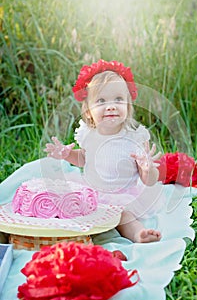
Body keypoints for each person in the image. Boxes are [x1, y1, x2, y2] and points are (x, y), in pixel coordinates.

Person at [45, 60, 163, 243]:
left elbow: (150, 181)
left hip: (123, 195)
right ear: (89, 110)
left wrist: (148, 169)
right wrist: (67, 154)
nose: (111, 106)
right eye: (101, 101)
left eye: (118, 99)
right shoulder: (89, 135)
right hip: (92, 193)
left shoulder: (135, 138)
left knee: (125, 217)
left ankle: (138, 234)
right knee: (73, 207)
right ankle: (72, 236)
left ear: (128, 106)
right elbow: (84, 158)